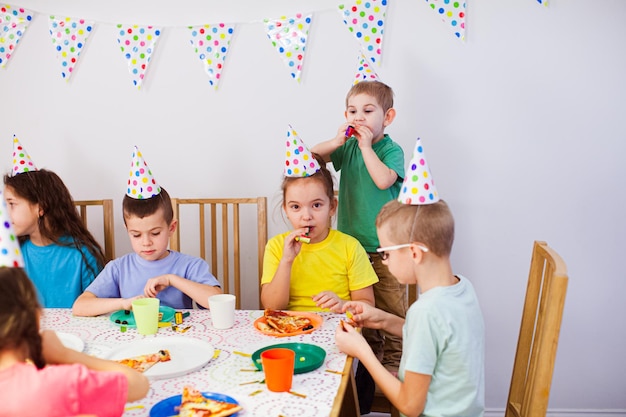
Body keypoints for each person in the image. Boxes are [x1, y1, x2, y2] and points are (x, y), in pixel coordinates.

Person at [335, 141, 485, 417]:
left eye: (386, 253)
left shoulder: (425, 312)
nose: (384, 260)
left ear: (414, 252)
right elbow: (438, 335)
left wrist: (362, 351)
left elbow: (409, 406)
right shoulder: (461, 289)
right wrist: (379, 318)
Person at [0, 190, 149, 417]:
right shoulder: (58, 383)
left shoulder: (81, 253)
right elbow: (138, 384)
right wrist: (66, 355)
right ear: (36, 316)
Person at [311, 80, 406, 411]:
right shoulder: (347, 147)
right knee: (363, 314)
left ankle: (395, 365)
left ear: (388, 117)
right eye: (353, 111)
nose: (359, 118)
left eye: (368, 111)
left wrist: (366, 147)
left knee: (391, 309)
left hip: (386, 250)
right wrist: (337, 141)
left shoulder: (389, 150)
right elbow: (310, 159)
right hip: (351, 249)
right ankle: (369, 365)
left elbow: (384, 180)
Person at [72, 146, 222, 317]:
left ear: (171, 228)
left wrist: (171, 279)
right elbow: (80, 306)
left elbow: (216, 299)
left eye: (155, 233)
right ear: (127, 230)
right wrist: (123, 303)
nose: (146, 242)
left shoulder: (189, 266)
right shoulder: (118, 268)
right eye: (136, 235)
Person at [261, 131, 378, 312]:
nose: (306, 216)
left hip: (338, 334)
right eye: (295, 207)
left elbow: (367, 305)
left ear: (332, 207)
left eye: (316, 205)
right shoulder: (277, 247)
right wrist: (286, 261)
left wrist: (343, 305)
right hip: (291, 330)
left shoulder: (350, 247)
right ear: (285, 210)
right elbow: (271, 307)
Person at [3, 137, 106, 308]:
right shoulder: (13, 255)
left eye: (12, 204)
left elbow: (100, 311)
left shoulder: (83, 255)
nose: (5, 213)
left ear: (40, 207)